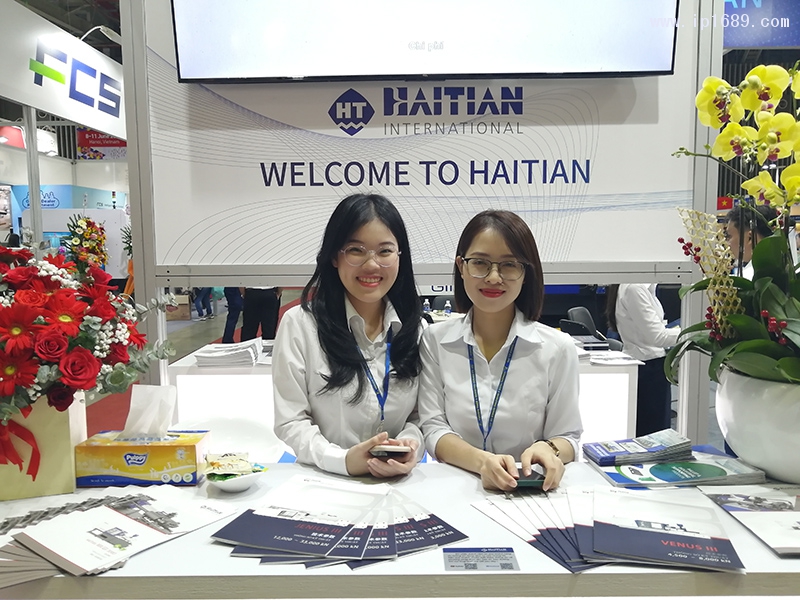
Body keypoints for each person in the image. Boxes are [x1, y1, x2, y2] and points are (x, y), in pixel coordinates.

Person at [418, 210, 582, 492]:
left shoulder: (557, 348)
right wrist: (483, 462)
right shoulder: (435, 340)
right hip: (454, 491)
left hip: (529, 492)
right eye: (480, 263)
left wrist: (550, 448)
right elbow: (433, 428)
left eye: (509, 265)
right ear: (461, 266)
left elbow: (568, 436)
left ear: (526, 273)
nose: (494, 277)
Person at [273, 193, 426, 477]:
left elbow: (419, 417)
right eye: (356, 250)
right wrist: (342, 460)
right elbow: (291, 422)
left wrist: (410, 444)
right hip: (323, 480)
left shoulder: (415, 330)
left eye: (385, 251)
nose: (372, 264)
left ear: (400, 257)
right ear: (334, 256)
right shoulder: (301, 325)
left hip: (397, 484)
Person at [605, 284, 680, 437]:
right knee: (653, 435)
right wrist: (692, 332)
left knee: (654, 432)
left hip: (649, 366)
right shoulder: (635, 288)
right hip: (648, 369)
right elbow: (658, 337)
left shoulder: (641, 287)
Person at [724, 204, 778, 280]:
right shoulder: (788, 269)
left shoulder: (746, 279)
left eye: (729, 236)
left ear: (750, 238)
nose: (727, 243)